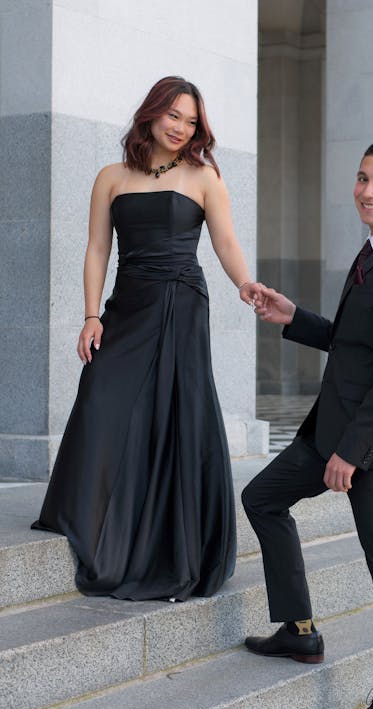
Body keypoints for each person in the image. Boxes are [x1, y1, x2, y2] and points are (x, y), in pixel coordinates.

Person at [32, 76, 262, 602]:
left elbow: (225, 241)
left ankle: (170, 537)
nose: (182, 127)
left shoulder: (205, 177)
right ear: (151, 114)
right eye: (173, 115)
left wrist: (244, 283)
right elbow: (96, 249)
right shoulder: (111, 176)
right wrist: (91, 316)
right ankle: (89, 510)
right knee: (101, 400)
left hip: (181, 302)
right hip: (127, 305)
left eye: (191, 120)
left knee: (174, 410)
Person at [242, 139, 373, 709]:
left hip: (371, 446)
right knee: (261, 499)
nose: (367, 190)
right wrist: (293, 316)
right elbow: (358, 345)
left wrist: (352, 453)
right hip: (331, 429)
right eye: (361, 178)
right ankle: (299, 629)